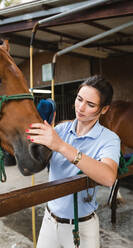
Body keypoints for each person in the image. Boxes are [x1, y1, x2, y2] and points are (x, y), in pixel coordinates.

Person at [26, 75, 121, 248]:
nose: (81, 108)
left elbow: (108, 177)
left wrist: (61, 146)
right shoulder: (60, 129)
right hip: (49, 221)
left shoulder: (109, 139)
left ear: (104, 109)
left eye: (90, 105)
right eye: (79, 99)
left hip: (82, 227)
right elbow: (33, 163)